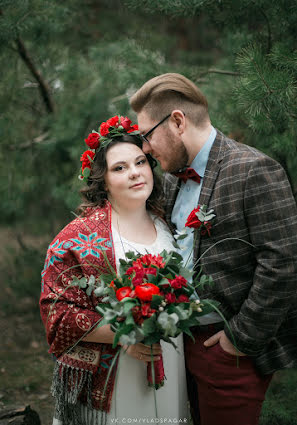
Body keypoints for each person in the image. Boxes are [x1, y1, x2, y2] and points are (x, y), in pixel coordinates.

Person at [130, 73, 297, 425]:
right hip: (177, 347)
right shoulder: (174, 177)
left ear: (177, 121)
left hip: (227, 352)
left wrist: (238, 341)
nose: (144, 148)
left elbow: (284, 265)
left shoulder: (255, 170)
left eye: (146, 135)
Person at [39, 116, 188, 425]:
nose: (135, 173)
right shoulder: (76, 239)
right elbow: (56, 315)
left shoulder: (167, 224)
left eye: (140, 162)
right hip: (116, 371)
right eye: (119, 168)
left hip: (169, 361)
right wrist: (123, 336)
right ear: (102, 180)